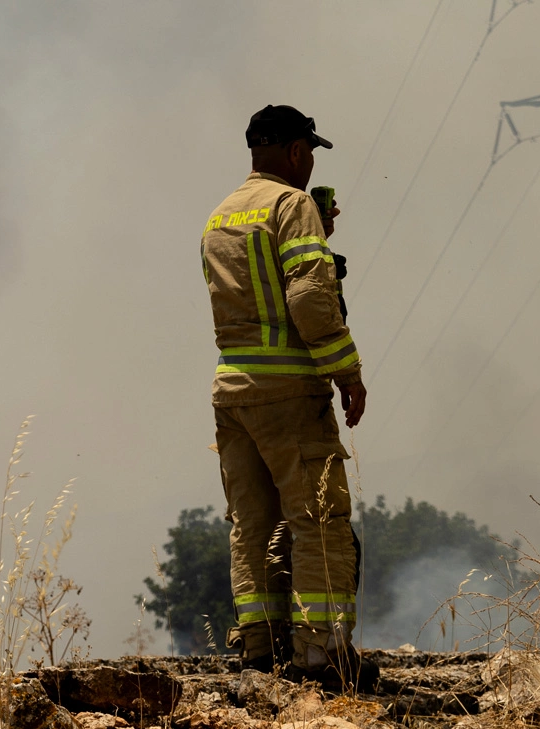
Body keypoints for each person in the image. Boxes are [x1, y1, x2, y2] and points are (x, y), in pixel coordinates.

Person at [199, 104, 376, 692]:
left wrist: (317, 240)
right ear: (299, 153)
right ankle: (321, 655)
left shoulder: (220, 214)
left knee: (253, 525)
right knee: (319, 518)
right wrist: (347, 371)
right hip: (289, 393)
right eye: (309, 153)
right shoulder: (292, 205)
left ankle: (261, 649)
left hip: (233, 394)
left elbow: (257, 297)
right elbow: (308, 303)